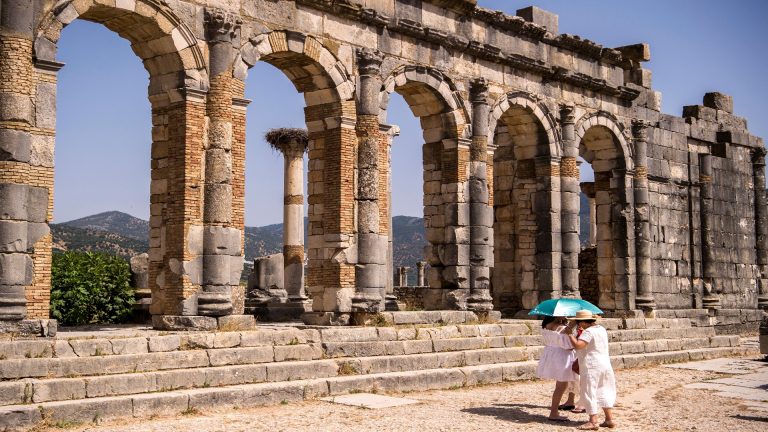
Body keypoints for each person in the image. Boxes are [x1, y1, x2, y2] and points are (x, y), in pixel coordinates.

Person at [566, 310, 616, 430]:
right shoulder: (601, 329)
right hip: (604, 364)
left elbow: (578, 345)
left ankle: (593, 421)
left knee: (589, 391)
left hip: (592, 365)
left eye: (579, 322)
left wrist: (569, 334)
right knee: (604, 389)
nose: (578, 325)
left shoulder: (588, 332)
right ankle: (609, 419)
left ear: (583, 322)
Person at [536, 316, 578, 421]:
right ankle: (553, 412)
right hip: (562, 357)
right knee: (561, 386)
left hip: (552, 355)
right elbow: (568, 346)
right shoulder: (561, 328)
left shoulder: (546, 326)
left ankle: (569, 402)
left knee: (563, 383)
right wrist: (571, 331)